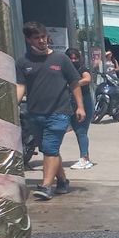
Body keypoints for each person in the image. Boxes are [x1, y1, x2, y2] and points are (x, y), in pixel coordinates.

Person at [15, 22, 85, 201]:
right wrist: (13, 105)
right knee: (48, 149)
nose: (42, 40)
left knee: (50, 149)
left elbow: (74, 83)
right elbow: (20, 86)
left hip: (59, 112)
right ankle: (62, 180)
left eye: (43, 36)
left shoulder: (61, 59)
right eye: (37, 38)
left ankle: (46, 186)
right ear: (29, 39)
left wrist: (80, 106)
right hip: (35, 114)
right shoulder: (23, 62)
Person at [65, 48, 95, 170]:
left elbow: (87, 79)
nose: (73, 60)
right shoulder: (64, 70)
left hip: (84, 103)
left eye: (75, 58)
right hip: (68, 103)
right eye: (70, 58)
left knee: (81, 131)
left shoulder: (82, 68)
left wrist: (74, 84)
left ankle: (85, 158)